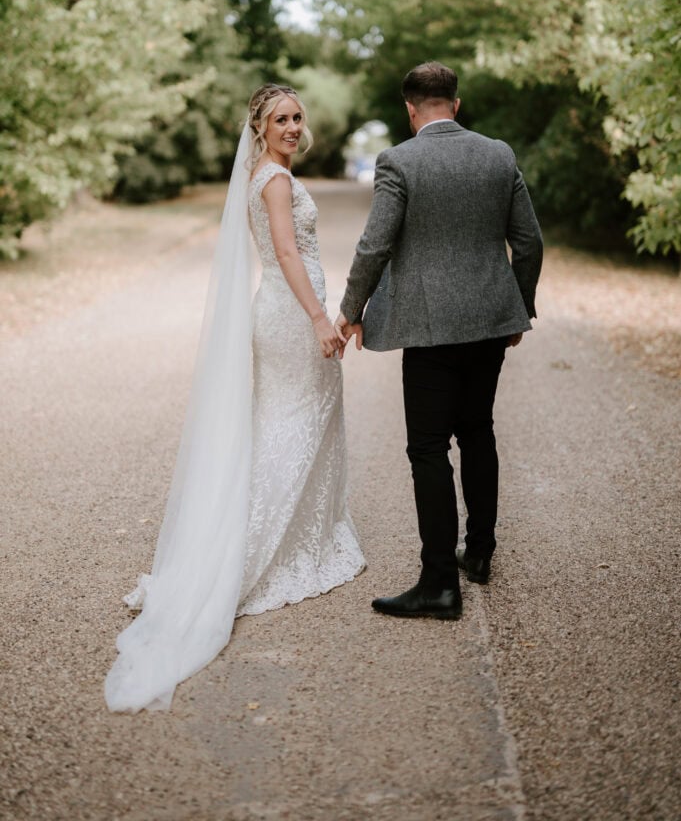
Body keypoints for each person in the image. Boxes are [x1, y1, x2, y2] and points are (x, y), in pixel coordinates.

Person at [105, 84, 365, 712]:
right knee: (294, 423)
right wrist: (317, 317)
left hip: (280, 310)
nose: (294, 126)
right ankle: (249, 556)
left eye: (298, 117)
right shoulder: (274, 180)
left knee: (289, 421)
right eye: (281, 118)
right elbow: (283, 250)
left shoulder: (263, 173)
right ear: (260, 127)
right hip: (287, 314)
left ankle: (303, 533)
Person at [336, 61, 542, 620]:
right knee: (478, 431)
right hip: (489, 324)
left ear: (410, 108)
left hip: (429, 332)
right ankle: (479, 553)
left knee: (428, 447)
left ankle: (438, 583)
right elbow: (528, 242)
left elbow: (374, 245)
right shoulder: (498, 154)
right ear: (456, 101)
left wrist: (351, 310)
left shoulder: (399, 160)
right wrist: (518, 308)